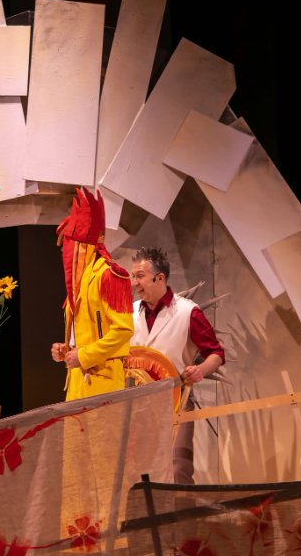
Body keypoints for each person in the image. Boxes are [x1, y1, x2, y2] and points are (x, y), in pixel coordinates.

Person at [130, 246, 225, 483]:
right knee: (139, 471)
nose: (135, 283)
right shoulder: (129, 313)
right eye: (133, 276)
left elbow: (216, 353)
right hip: (137, 403)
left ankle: (182, 509)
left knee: (178, 469)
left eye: (140, 276)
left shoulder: (187, 312)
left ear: (159, 278)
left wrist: (200, 370)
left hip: (177, 399)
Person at [50, 187, 134, 400]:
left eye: (70, 244)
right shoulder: (79, 284)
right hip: (77, 381)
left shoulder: (108, 275)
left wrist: (85, 355)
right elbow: (86, 332)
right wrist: (67, 348)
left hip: (103, 382)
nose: (66, 252)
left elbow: (123, 330)